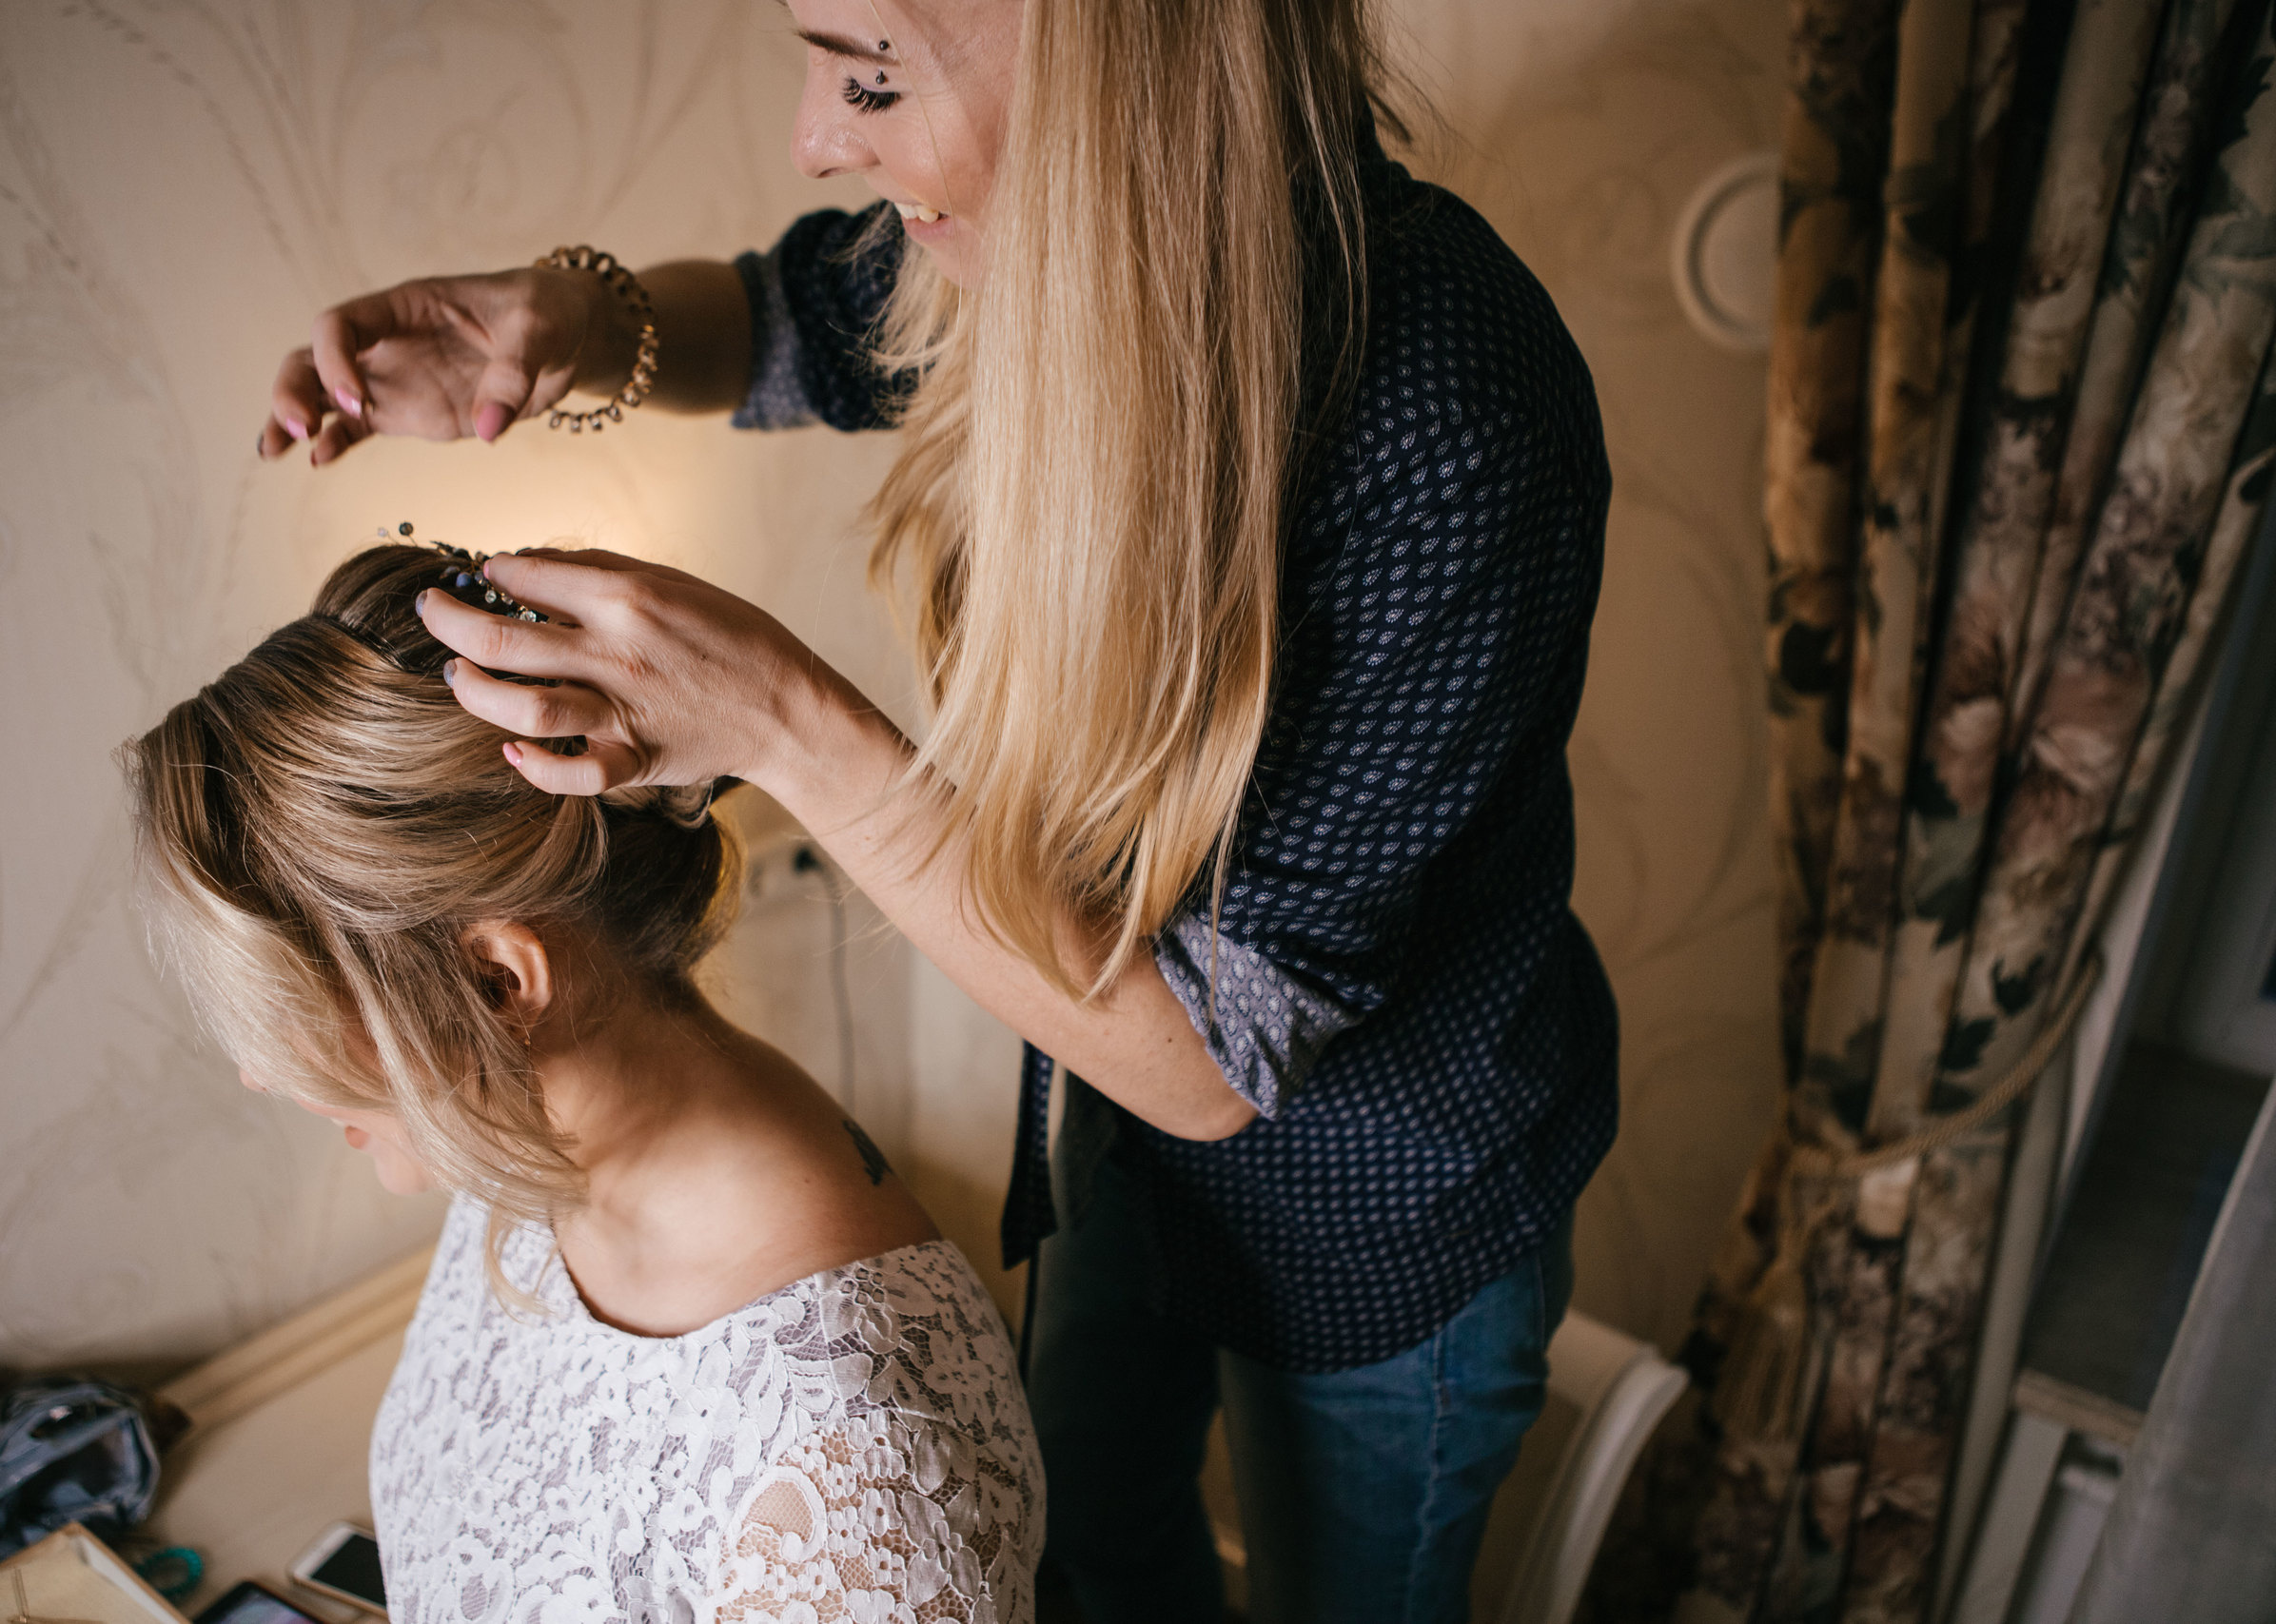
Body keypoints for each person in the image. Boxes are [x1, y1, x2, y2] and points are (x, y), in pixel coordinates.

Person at [256, 1, 1619, 1618]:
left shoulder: (1449, 421)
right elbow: (780, 323)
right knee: (1103, 1537)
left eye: (875, 73)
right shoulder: (1028, 248)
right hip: (1116, 1124)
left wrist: (787, 724)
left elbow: (1208, 1059)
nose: (818, 134)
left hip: (1380, 1201)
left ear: (1133, 60)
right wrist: (549, 325)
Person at [123, 542, 1043, 1624]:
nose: (260, 1071)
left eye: (294, 1011)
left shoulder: (849, 1508)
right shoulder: (521, 1149)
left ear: (496, 983)